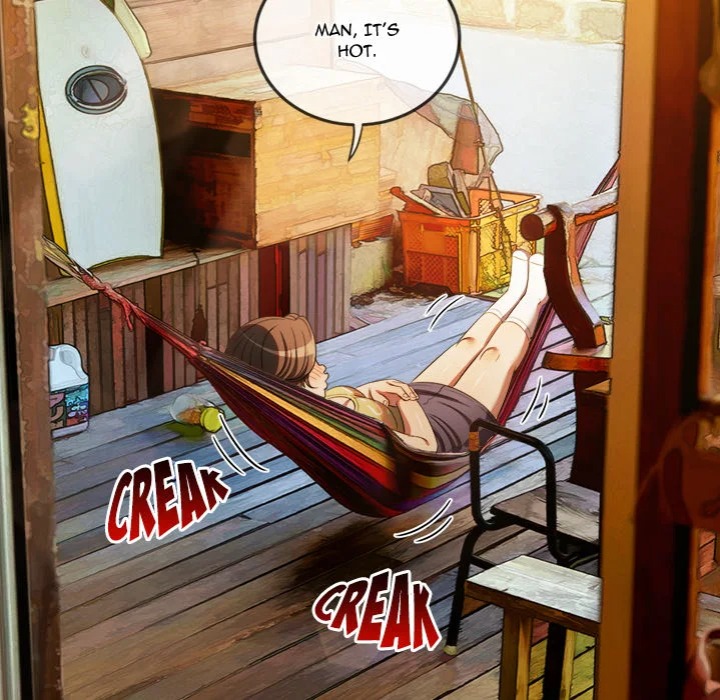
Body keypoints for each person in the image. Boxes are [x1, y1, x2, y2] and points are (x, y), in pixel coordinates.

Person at [225, 250, 548, 454]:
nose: (321, 366)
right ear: (302, 376)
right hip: (449, 427)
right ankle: (534, 298)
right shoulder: (338, 424)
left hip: (420, 400)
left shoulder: (320, 406)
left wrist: (372, 390)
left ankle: (513, 295)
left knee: (468, 345)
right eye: (313, 363)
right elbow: (424, 447)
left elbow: (362, 404)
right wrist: (406, 402)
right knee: (494, 354)